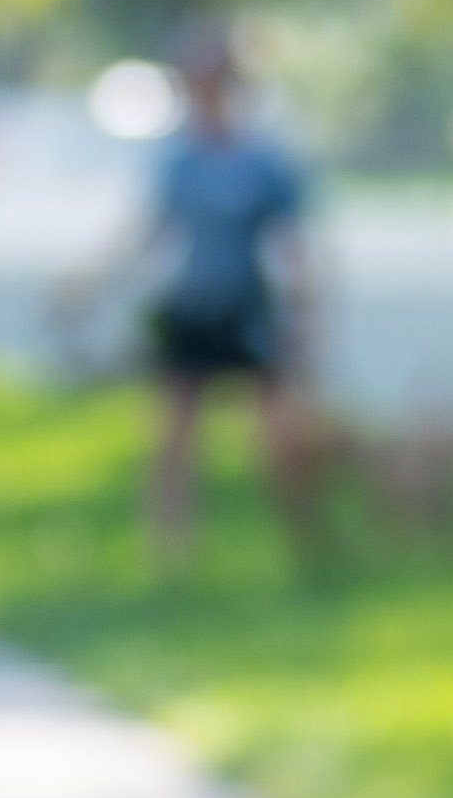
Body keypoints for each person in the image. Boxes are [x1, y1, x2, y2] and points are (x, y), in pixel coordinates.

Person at [123, 35, 330, 572]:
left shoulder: (263, 162)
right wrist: (87, 286)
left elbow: (293, 246)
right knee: (173, 439)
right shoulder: (180, 160)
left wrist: (305, 318)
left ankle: (308, 548)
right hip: (192, 309)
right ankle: (169, 559)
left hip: (246, 309)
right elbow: (150, 232)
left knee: (282, 438)